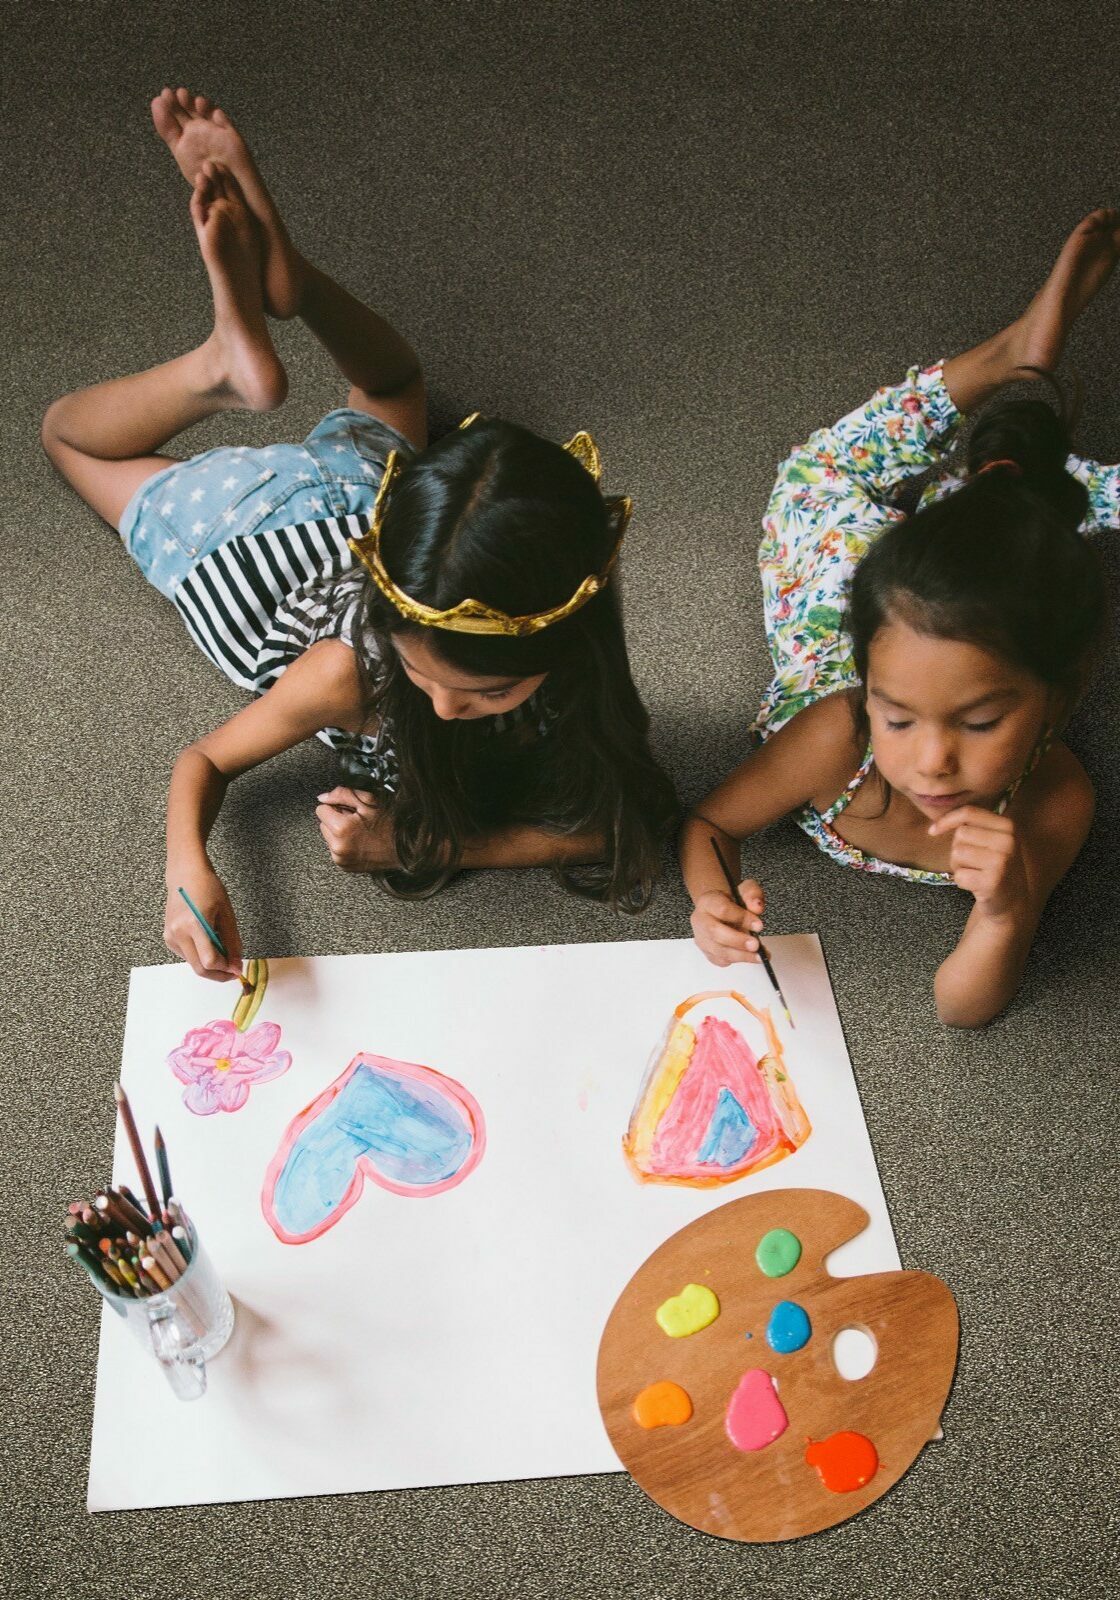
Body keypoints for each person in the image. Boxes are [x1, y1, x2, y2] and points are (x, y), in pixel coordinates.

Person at [42, 90, 678, 981]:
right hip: (242, 542)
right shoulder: (351, 672)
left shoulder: (563, 643)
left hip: (364, 501)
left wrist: (416, 847)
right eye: (425, 676)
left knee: (394, 383)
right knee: (66, 437)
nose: (445, 707)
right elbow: (204, 763)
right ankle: (219, 365)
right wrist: (186, 867)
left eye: (484, 696)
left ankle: (288, 281)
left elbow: (629, 821)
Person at [681, 210, 1119, 1027]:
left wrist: (1004, 910)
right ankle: (1008, 359)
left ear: (1058, 701)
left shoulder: (1054, 802)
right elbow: (710, 823)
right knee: (817, 473)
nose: (930, 762)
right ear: (869, 691)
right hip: (845, 583)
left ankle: (1026, 482)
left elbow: (964, 1009)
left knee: (1013, 518)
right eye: (898, 716)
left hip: (935, 606)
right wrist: (712, 902)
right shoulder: (839, 735)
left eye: (982, 721)